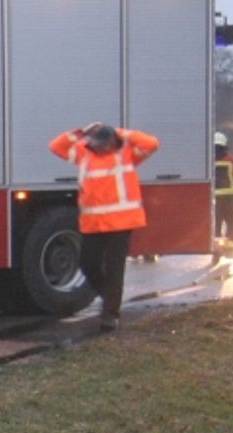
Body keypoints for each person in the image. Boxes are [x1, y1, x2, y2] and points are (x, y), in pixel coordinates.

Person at [49, 122, 159, 332]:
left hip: (121, 222)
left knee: (114, 268)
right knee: (87, 263)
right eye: (96, 144)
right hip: (93, 223)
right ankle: (109, 297)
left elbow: (152, 143)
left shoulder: (127, 153)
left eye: (104, 144)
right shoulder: (83, 152)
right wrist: (79, 132)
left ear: (112, 141)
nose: (100, 148)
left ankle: (110, 314)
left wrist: (119, 132)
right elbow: (55, 147)